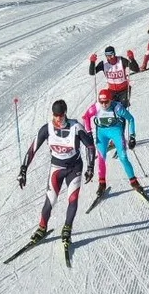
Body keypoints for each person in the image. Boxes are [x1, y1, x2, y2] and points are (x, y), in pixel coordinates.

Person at [18, 100, 97, 255]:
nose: (58, 119)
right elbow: (32, 149)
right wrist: (23, 169)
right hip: (57, 168)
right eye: (55, 116)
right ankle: (42, 228)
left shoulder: (76, 127)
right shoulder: (47, 128)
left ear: (65, 113)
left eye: (60, 116)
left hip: (74, 168)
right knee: (50, 201)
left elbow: (90, 146)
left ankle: (67, 229)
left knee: (72, 199)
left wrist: (90, 167)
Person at [82, 88, 145, 199]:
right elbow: (86, 117)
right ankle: (102, 184)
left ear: (111, 100)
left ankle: (134, 181)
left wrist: (132, 137)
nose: (104, 105)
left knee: (123, 157)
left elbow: (131, 119)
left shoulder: (117, 108)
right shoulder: (96, 107)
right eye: (101, 102)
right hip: (102, 134)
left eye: (106, 102)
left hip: (116, 132)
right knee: (101, 158)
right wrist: (88, 132)